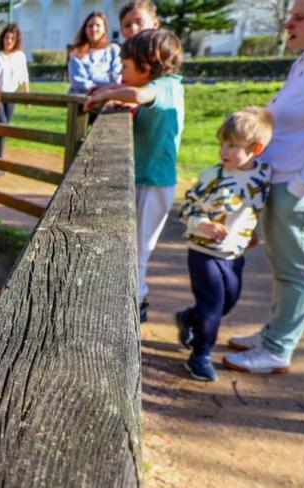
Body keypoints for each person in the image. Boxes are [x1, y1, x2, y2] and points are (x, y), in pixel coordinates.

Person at [224, 0, 304, 374]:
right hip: (283, 181)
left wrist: (303, 186)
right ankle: (274, 333)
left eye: (300, 18)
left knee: (296, 272)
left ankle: (277, 349)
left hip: (302, 188)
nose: (290, 24)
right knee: (282, 267)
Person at [85, 28, 184, 323]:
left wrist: (108, 92)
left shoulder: (164, 86)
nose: (121, 72)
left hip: (153, 184)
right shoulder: (167, 86)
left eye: (125, 67)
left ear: (146, 65)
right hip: (147, 180)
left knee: (139, 250)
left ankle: (133, 305)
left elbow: (140, 94)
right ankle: (132, 299)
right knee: (135, 247)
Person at [175, 108, 274, 381]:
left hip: (234, 253)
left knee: (227, 302)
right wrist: (203, 224)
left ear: (256, 148)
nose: (224, 151)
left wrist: (250, 233)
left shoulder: (263, 175)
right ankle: (200, 354)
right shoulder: (212, 177)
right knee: (212, 304)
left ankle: (188, 317)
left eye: (232, 145)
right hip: (203, 252)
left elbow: (254, 207)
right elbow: (187, 208)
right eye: (222, 143)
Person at [0, 23, 30, 160]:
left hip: (11, 96)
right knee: (1, 123)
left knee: (3, 128)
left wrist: (27, 96)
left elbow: (24, 77)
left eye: (12, 38)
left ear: (16, 40)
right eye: (7, 37)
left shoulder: (20, 56)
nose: (8, 41)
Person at [68, 11, 122, 95]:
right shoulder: (77, 53)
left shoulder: (113, 50)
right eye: (90, 26)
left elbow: (117, 79)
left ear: (104, 29)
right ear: (85, 30)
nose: (93, 29)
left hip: (108, 99)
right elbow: (78, 82)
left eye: (98, 25)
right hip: (80, 100)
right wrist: (100, 88)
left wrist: (91, 76)